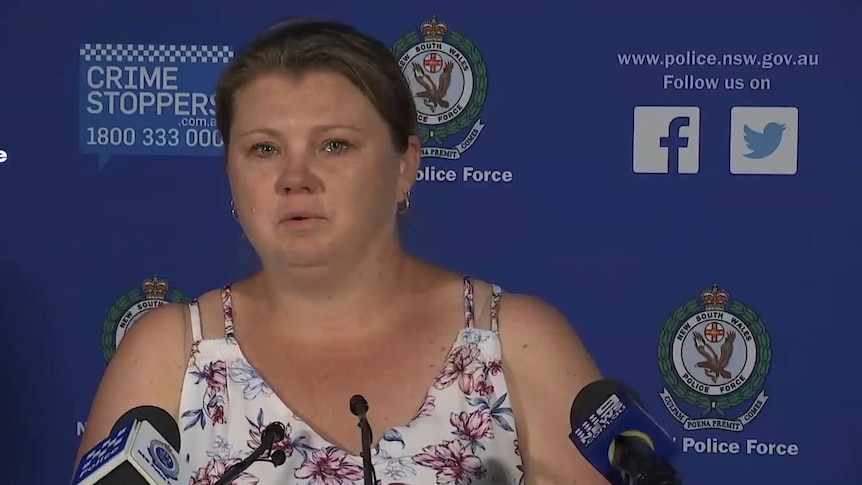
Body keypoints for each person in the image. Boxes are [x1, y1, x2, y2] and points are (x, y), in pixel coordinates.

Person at [74, 18, 608, 485]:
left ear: (404, 166)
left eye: (334, 145)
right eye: (264, 149)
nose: (294, 178)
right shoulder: (168, 354)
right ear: (231, 174)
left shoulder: (516, 342)